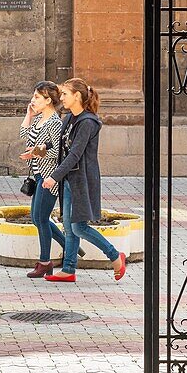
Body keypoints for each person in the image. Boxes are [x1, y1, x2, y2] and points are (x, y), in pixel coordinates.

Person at [42, 78, 126, 284]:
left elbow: (75, 155)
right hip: (70, 180)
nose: (61, 98)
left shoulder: (88, 122)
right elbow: (61, 146)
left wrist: (54, 177)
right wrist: (41, 150)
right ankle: (68, 269)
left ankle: (115, 256)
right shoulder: (69, 118)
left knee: (79, 227)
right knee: (69, 227)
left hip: (82, 180)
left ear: (77, 96)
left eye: (64, 94)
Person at [19, 81, 65, 279]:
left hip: (50, 177)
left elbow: (58, 151)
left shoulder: (54, 122)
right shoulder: (39, 120)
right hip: (39, 176)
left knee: (41, 219)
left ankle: (45, 262)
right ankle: (69, 246)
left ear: (48, 101)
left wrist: (36, 153)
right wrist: (29, 114)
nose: (33, 100)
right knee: (37, 218)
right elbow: (24, 135)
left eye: (37, 97)